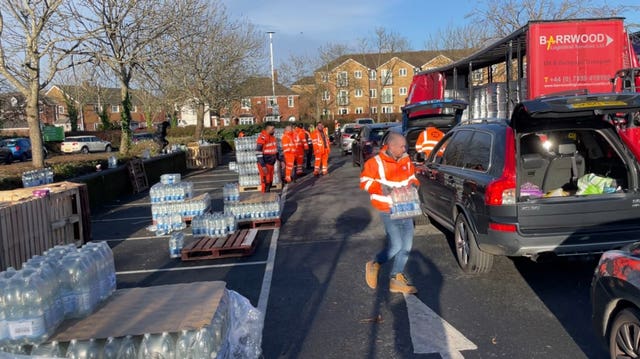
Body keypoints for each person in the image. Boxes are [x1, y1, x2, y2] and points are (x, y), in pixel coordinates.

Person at [360, 132, 419, 294]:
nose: (404, 148)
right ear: (391, 146)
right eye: (401, 146)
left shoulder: (406, 160)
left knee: (406, 246)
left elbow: (413, 177)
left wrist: (413, 185)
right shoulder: (375, 163)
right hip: (387, 209)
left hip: (406, 206)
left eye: (405, 145)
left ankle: (396, 278)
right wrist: (383, 189)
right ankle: (374, 263)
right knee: (397, 245)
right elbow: (365, 182)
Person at [256, 122, 278, 192]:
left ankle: (268, 194)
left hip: (271, 162)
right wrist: (263, 165)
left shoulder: (273, 138)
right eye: (272, 129)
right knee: (265, 182)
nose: (274, 130)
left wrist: (280, 160)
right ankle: (264, 197)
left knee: (270, 181)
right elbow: (258, 152)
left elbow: (275, 150)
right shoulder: (262, 138)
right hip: (265, 163)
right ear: (268, 129)